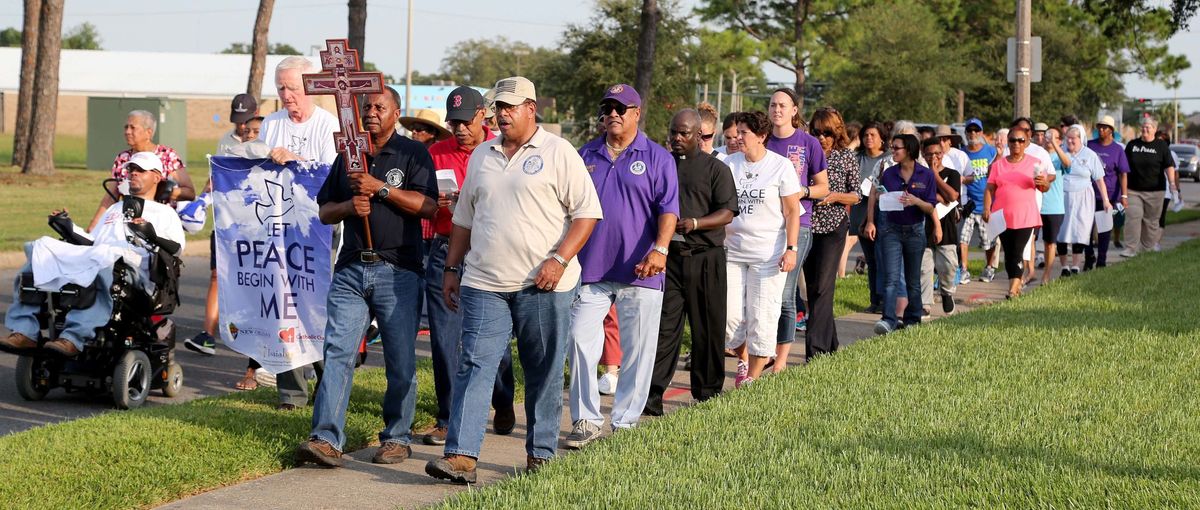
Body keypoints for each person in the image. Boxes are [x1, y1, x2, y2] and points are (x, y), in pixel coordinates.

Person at [425, 77, 603, 483]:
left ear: (530, 108)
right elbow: (464, 219)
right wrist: (452, 269)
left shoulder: (559, 152)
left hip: (543, 283)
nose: (501, 113)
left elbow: (586, 213)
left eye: (509, 106)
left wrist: (558, 260)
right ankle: (461, 456)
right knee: (474, 363)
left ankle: (540, 452)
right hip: (485, 280)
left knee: (541, 368)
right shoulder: (484, 155)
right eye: (497, 107)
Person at [293, 88, 438, 468]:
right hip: (351, 269)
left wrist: (382, 190)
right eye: (367, 106)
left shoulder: (413, 153)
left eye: (380, 107)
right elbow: (325, 211)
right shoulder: (348, 155)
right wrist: (349, 206)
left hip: (399, 270)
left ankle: (396, 437)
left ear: (395, 112)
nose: (372, 112)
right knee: (338, 353)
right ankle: (326, 438)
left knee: (400, 358)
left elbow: (427, 206)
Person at [566, 84, 678, 447]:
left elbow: (669, 210)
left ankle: (626, 422)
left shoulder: (658, 157)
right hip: (590, 269)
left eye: (621, 108)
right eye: (607, 107)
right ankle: (586, 419)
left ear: (636, 113)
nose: (613, 113)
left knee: (638, 350)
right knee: (580, 342)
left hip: (641, 271)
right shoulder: (585, 154)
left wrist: (660, 249)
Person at [3, 152, 185, 356]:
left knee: (105, 262)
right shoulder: (115, 208)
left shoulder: (165, 213)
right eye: (131, 170)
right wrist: (68, 228)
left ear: (157, 177)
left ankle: (74, 337)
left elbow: (177, 249)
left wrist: (151, 235)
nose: (133, 174)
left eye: (140, 170)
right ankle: (25, 331)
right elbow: (94, 241)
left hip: (135, 273)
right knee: (40, 250)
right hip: (100, 256)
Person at [421, 86, 516, 446]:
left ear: (482, 116)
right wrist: (438, 201)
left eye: (464, 121)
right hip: (446, 250)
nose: (458, 128)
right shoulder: (436, 152)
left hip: (489, 251)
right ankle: (446, 417)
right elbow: (424, 202)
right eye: (453, 122)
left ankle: (503, 396)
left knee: (494, 339)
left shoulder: (500, 148)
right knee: (445, 340)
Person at [258, 55, 340, 411]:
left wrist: (295, 160)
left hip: (318, 231)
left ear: (311, 87)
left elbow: (332, 175)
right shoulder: (271, 123)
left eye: (292, 87)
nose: (287, 95)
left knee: (317, 306)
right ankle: (290, 392)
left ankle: (328, 383)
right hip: (279, 227)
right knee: (284, 307)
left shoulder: (328, 125)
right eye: (281, 88)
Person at [644, 109, 737, 416]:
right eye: (673, 133)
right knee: (665, 328)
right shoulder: (662, 164)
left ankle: (707, 391)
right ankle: (653, 394)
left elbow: (727, 212)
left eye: (683, 133)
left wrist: (696, 223)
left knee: (707, 327)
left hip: (705, 257)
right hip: (669, 260)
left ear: (699, 135)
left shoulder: (715, 169)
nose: (677, 139)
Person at [724, 111, 801, 387]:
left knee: (762, 316)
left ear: (761, 136)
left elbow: (792, 212)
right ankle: (743, 356)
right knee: (729, 318)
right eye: (737, 132)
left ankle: (752, 378)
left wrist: (791, 248)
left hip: (768, 255)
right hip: (732, 251)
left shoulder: (780, 167)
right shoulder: (727, 163)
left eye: (744, 132)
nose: (738, 138)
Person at [765, 88, 828, 371]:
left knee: (785, 293)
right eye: (772, 105)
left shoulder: (808, 143)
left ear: (794, 110)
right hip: (765, 225)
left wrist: (800, 191)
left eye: (782, 105)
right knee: (763, 293)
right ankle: (762, 350)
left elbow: (823, 187)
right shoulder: (761, 141)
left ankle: (780, 360)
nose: (776, 110)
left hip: (798, 224)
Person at [863, 134, 939, 334]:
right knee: (891, 278)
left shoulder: (926, 175)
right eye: (892, 147)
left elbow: (931, 207)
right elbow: (882, 198)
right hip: (891, 230)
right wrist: (881, 197)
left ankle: (913, 319)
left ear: (910, 150)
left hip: (915, 230)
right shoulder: (888, 173)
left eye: (897, 148)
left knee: (913, 280)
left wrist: (916, 201)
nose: (893, 151)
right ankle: (888, 319)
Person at [803, 108, 859, 358]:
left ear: (837, 132)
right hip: (806, 226)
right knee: (813, 288)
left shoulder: (845, 156)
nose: (822, 137)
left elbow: (856, 195)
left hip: (834, 227)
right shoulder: (806, 153)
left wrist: (835, 196)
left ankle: (815, 351)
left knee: (823, 287)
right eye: (816, 132)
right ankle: (832, 344)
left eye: (827, 132)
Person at [86, 111, 195, 231]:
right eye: (126, 127)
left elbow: (189, 193)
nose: (127, 132)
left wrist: (163, 191)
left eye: (133, 128)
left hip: (159, 225)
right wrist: (94, 226)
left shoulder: (167, 156)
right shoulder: (122, 159)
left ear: (148, 132)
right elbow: (111, 196)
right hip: (128, 224)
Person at [984, 127, 1049, 298]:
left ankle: (1013, 288)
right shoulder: (998, 165)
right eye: (1013, 140)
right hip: (1002, 216)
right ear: (1008, 142)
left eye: (1021, 140)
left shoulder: (1035, 163)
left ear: (1027, 142)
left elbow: (1044, 188)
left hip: (1025, 216)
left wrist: (1043, 183)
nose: (1016, 144)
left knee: (1018, 251)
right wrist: (986, 209)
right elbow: (990, 189)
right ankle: (1016, 283)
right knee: (1009, 252)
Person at [1058, 125, 1110, 275]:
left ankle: (1075, 265)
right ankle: (1064, 266)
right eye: (1068, 137)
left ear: (1080, 139)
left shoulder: (1090, 155)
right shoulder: (1061, 153)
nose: (1070, 141)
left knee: (1079, 230)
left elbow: (1099, 180)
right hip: (1063, 196)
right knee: (1062, 231)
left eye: (1073, 138)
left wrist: (1106, 200)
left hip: (1084, 198)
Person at [1121, 117, 1178, 257]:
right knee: (1133, 217)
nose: (1145, 129)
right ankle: (1130, 248)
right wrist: (1123, 192)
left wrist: (1172, 184)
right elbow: (1124, 169)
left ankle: (1147, 248)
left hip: (1156, 191)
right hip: (1134, 190)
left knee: (1151, 222)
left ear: (1154, 129)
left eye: (1149, 127)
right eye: (1143, 126)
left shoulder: (1161, 146)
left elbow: (1169, 166)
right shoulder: (1132, 145)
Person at [849, 122, 890, 313]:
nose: (869, 139)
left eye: (873, 135)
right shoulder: (857, 158)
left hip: (883, 215)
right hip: (861, 216)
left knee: (884, 259)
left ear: (882, 137)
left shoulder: (889, 159)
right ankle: (874, 300)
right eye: (865, 135)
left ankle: (885, 300)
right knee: (872, 260)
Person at [919, 138, 960, 315]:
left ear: (943, 154)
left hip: (947, 224)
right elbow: (922, 196)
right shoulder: (918, 174)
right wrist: (938, 196)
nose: (934, 157)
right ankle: (925, 304)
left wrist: (934, 175)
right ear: (923, 154)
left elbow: (952, 195)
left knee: (948, 265)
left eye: (937, 153)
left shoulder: (952, 174)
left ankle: (946, 291)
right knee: (924, 267)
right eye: (929, 154)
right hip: (924, 223)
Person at [1085, 115, 1129, 270]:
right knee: (1086, 229)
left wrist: (1123, 195)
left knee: (1104, 229)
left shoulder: (1117, 149)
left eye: (1105, 127)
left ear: (1111, 130)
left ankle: (1101, 260)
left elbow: (1123, 173)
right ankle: (1088, 256)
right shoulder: (1089, 145)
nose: (1101, 130)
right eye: (1100, 127)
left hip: (1108, 196)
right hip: (1088, 194)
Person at [959, 118, 997, 284]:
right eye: (970, 131)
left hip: (986, 204)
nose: (973, 134)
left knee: (988, 241)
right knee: (963, 239)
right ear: (966, 133)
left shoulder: (990, 151)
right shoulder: (962, 153)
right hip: (969, 204)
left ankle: (989, 268)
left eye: (976, 130)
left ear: (981, 133)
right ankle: (964, 270)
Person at [1036, 125, 1070, 283]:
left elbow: (1068, 164)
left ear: (1059, 140)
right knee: (1030, 241)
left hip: (1054, 207)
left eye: (1052, 136)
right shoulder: (1038, 155)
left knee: (1050, 243)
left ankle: (1047, 274)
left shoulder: (1059, 156)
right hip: (1036, 204)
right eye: (1045, 136)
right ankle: (1028, 271)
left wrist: (1056, 145)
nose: (1047, 139)